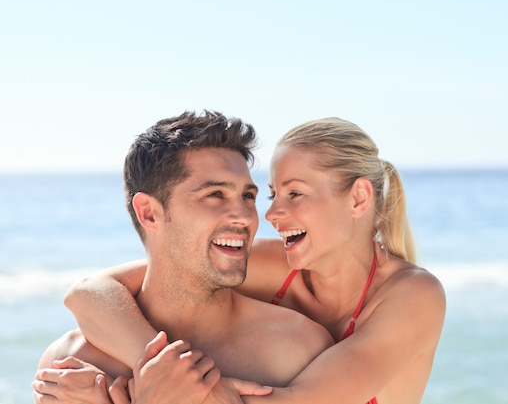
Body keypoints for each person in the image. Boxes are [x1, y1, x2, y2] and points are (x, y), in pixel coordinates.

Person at [37, 117, 446, 404]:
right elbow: (91, 292)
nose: (266, 215)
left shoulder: (411, 295)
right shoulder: (276, 266)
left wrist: (136, 393)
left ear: (357, 198)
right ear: (148, 212)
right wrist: (158, 368)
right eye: (269, 195)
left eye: (295, 194)